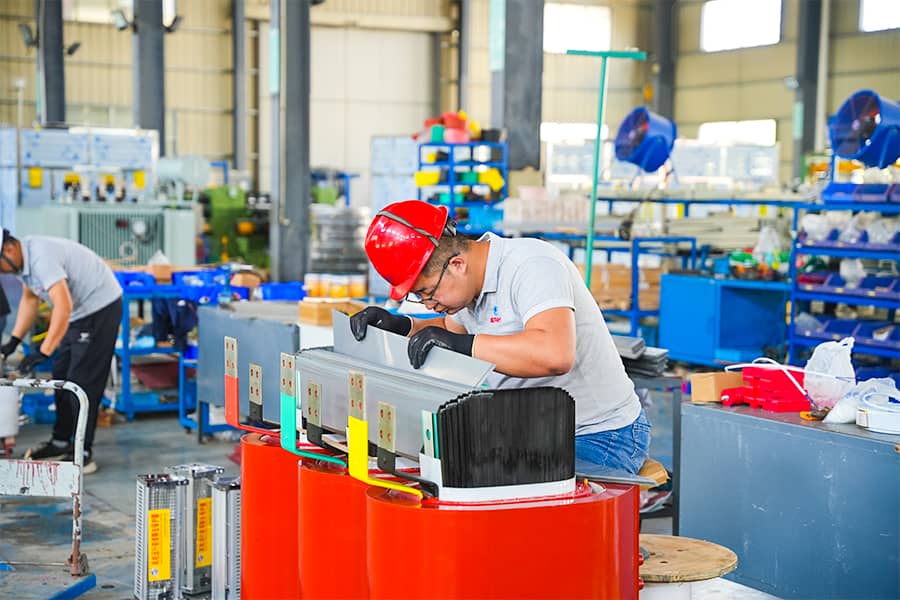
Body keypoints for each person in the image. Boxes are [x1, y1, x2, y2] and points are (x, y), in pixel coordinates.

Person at [350, 200, 650, 474]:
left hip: (598, 433)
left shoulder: (531, 265)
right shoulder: (468, 289)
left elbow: (555, 354)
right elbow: (450, 333)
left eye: (427, 292)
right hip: (530, 431)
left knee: (524, 504)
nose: (428, 305)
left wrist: (464, 346)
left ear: (457, 265)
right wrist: (403, 326)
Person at [0, 229, 123, 474]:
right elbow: (30, 300)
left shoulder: (40, 258)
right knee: (61, 375)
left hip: (99, 308)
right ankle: (61, 441)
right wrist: (13, 341)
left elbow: (63, 305)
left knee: (82, 381)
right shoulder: (24, 264)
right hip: (79, 313)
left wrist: (44, 351)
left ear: (8, 249)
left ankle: (83, 453)